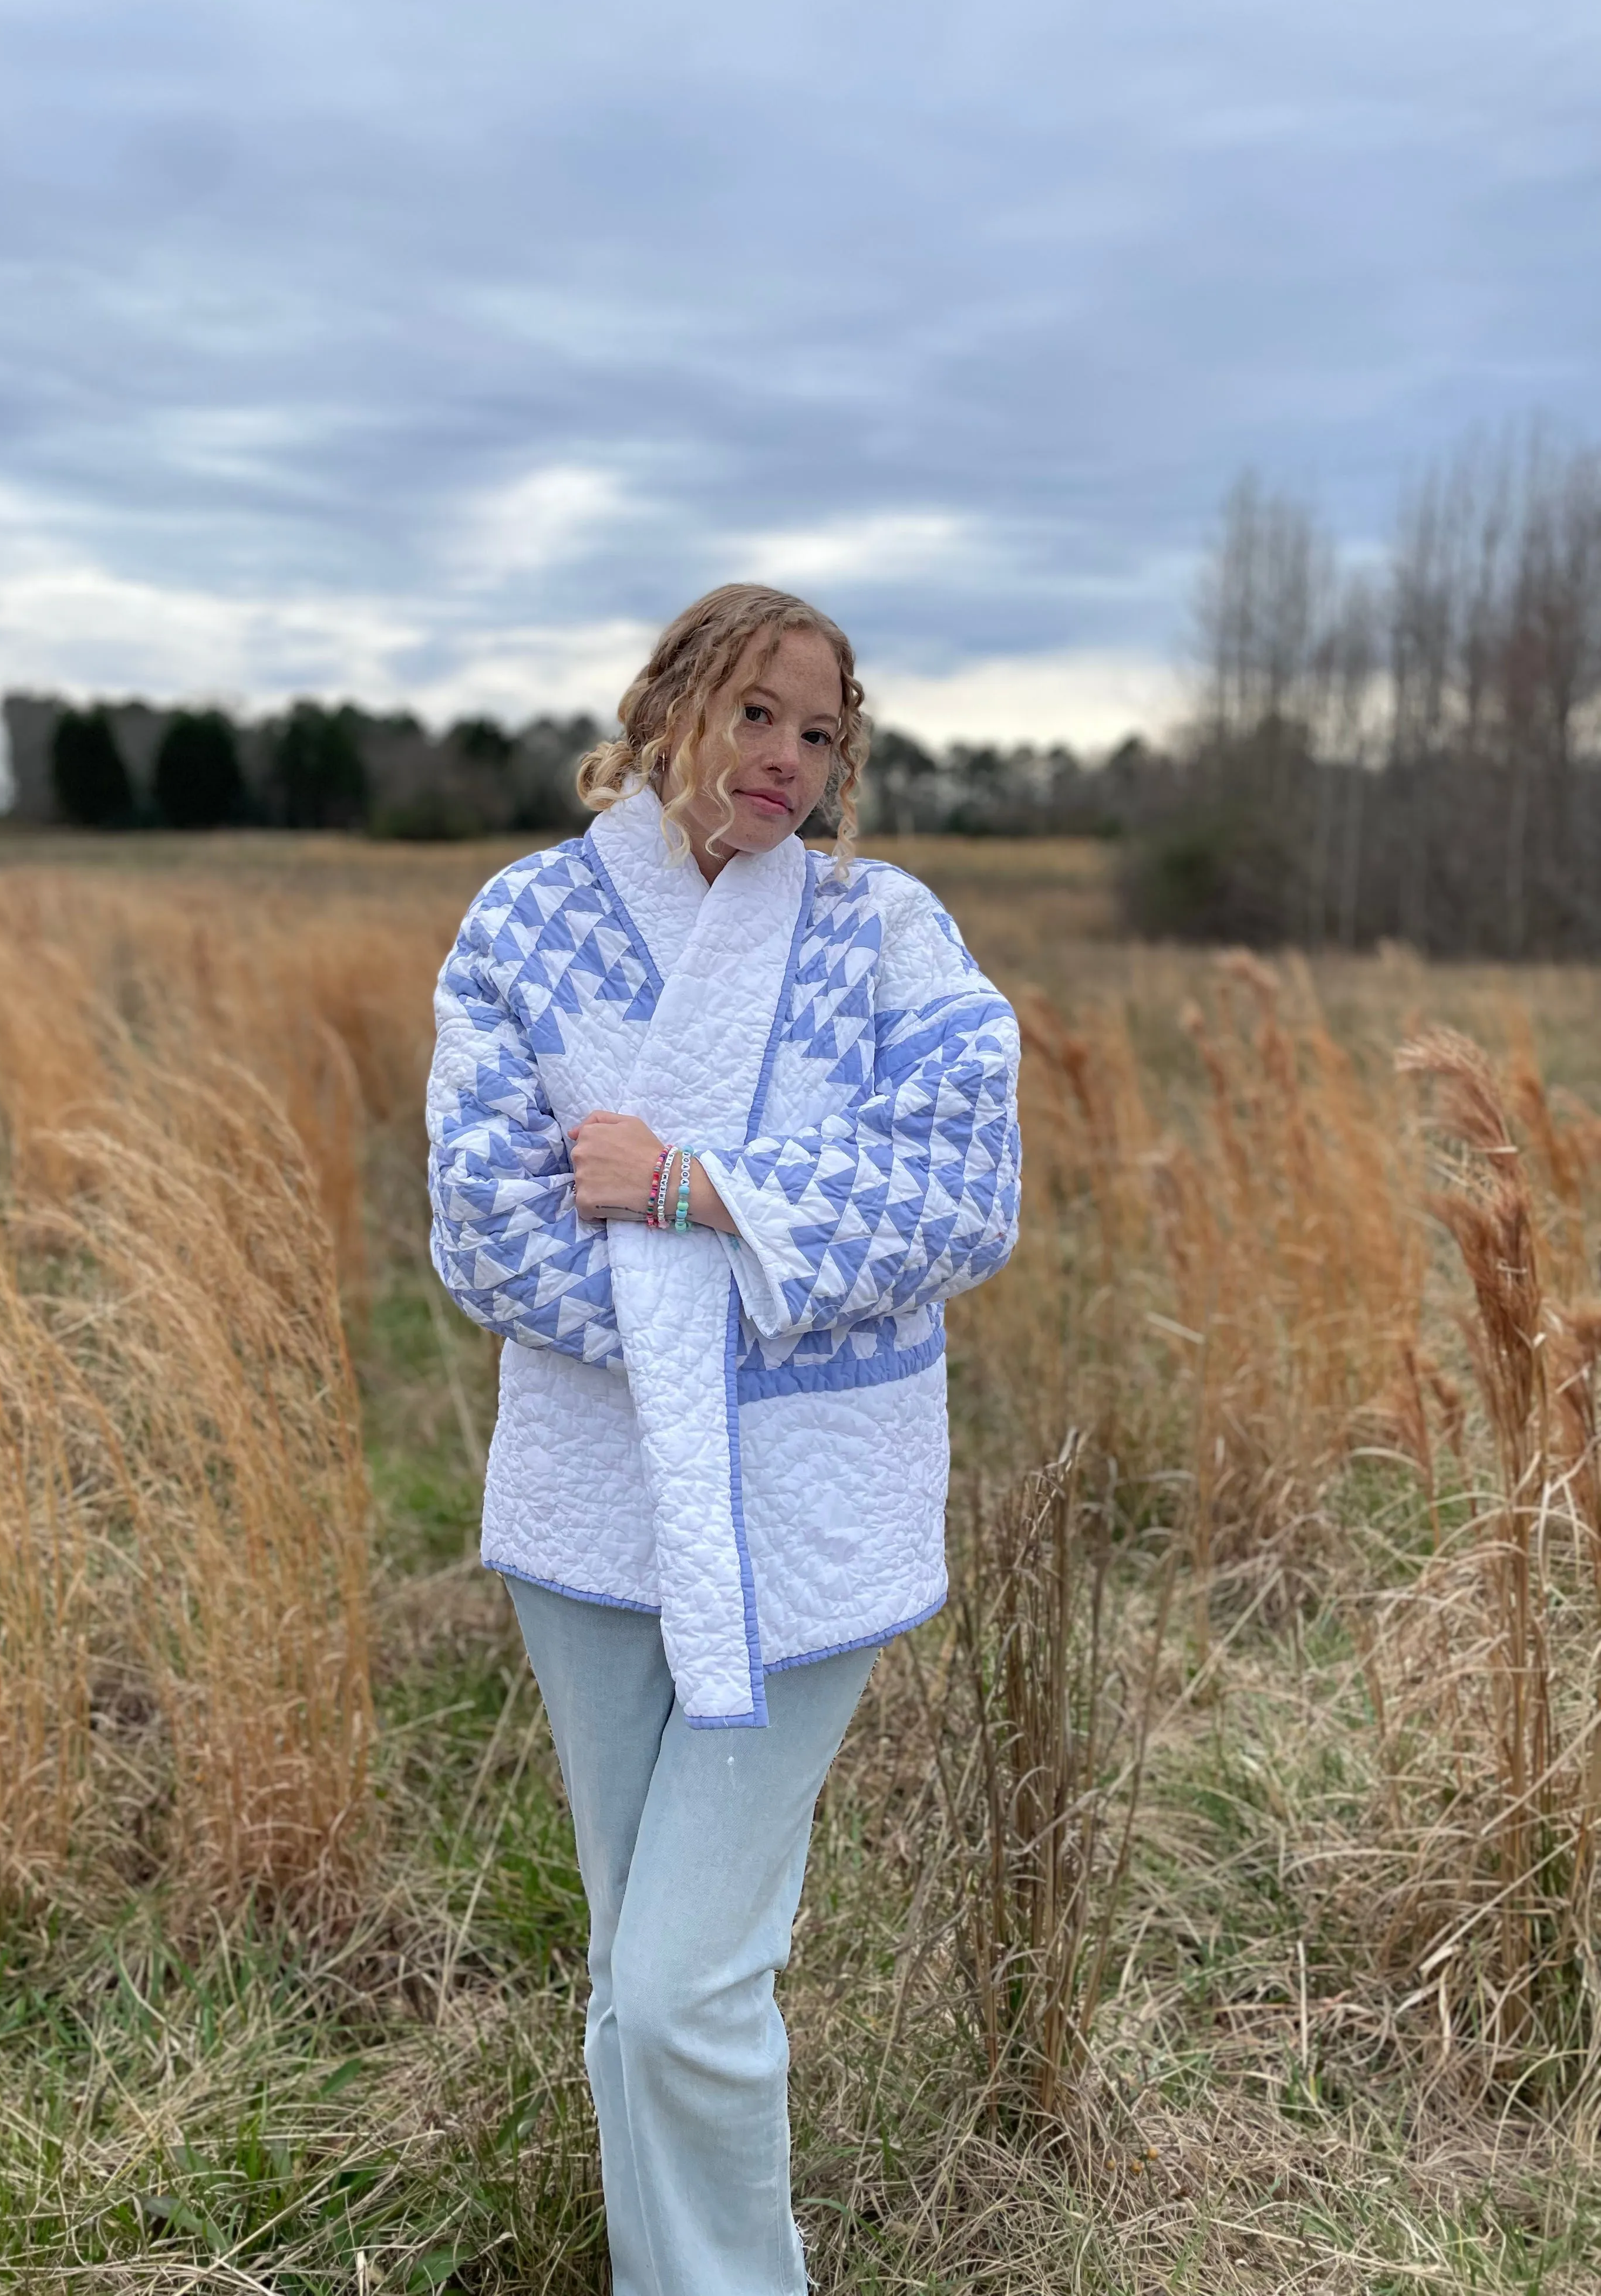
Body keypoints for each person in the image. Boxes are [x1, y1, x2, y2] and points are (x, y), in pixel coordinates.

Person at [426, 583, 1022, 2295]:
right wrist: (730, 1290)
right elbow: (485, 1219)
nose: (786, 760)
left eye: (821, 732)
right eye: (755, 711)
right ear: (671, 700)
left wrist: (692, 1189)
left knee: (687, 1980)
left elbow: (960, 1196)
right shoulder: (527, 925)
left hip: (815, 1509)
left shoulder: (883, 930)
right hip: (599, 1509)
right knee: (638, 1978)